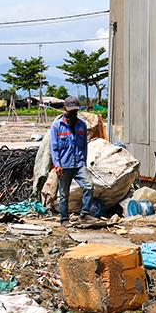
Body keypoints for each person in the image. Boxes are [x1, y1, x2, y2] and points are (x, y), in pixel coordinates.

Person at [50, 95, 92, 223]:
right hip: (64, 165)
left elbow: (84, 145)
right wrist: (57, 164)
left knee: (89, 186)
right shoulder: (57, 126)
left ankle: (84, 214)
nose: (73, 113)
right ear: (65, 109)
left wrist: (84, 162)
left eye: (75, 111)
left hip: (79, 164)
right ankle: (64, 218)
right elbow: (54, 147)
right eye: (70, 110)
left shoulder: (82, 125)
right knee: (64, 194)